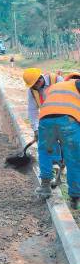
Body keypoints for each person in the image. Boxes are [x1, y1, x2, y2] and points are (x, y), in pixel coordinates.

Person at [34, 75, 80, 209]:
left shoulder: (54, 87)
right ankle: (75, 197)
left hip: (45, 120)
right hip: (68, 122)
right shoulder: (77, 84)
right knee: (74, 159)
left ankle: (45, 187)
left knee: (45, 152)